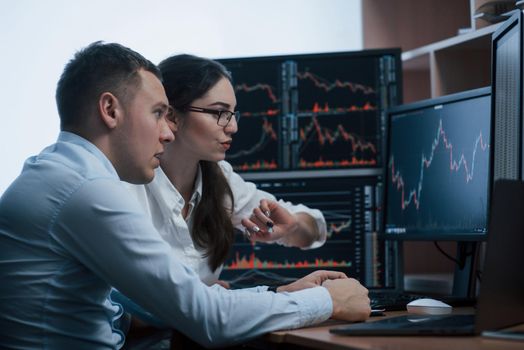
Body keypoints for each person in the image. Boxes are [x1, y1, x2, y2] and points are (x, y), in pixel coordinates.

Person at [0, 41, 370, 349]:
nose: (167, 132)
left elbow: (176, 306)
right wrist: (327, 301)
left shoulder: (59, 171)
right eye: (159, 114)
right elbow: (208, 318)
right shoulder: (88, 190)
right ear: (110, 110)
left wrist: (274, 292)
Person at [124, 53, 328, 287]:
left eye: (232, 114)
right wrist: (211, 299)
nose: (233, 127)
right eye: (219, 113)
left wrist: (291, 226)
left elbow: (314, 226)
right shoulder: (128, 186)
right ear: (172, 115)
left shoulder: (219, 178)